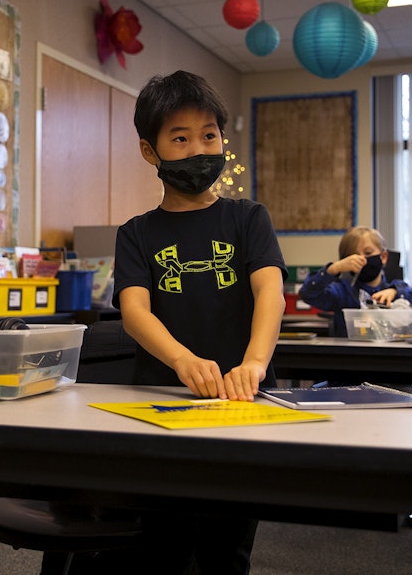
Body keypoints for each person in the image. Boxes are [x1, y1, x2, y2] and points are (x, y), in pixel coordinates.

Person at [107, 70, 286, 574]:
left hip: (244, 401)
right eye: (179, 138)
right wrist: (183, 360)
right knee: (165, 546)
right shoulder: (137, 234)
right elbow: (135, 312)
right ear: (151, 151)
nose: (197, 149)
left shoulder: (249, 218)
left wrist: (253, 363)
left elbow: (270, 292)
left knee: (229, 550)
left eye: (209, 135)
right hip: (166, 402)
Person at [298, 226, 412, 337]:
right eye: (353, 255)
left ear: (383, 257)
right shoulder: (342, 292)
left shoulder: (396, 289)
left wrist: (398, 292)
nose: (362, 260)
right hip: (349, 361)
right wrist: (334, 268)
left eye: (368, 253)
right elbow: (308, 294)